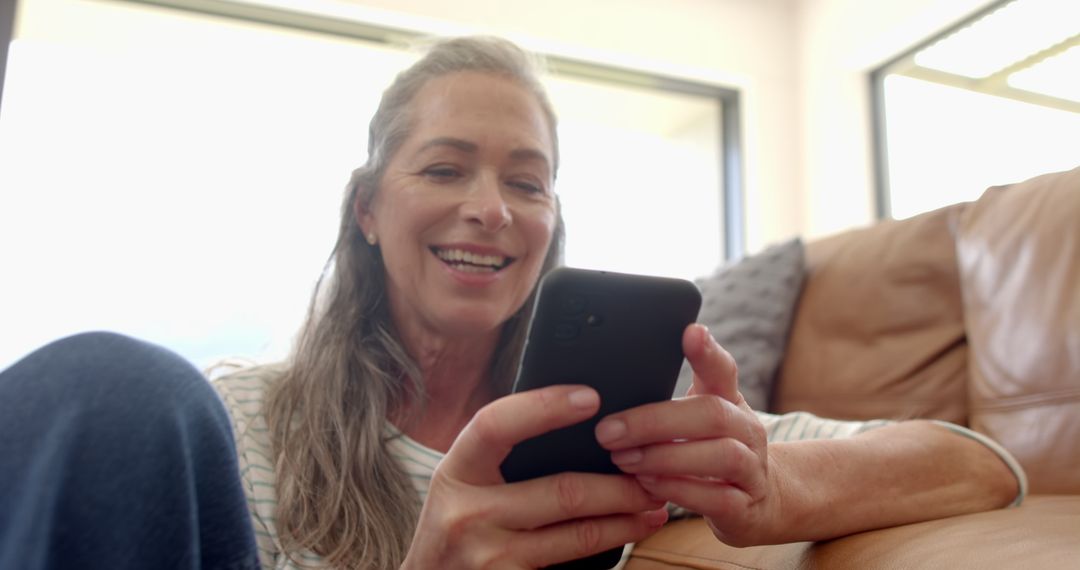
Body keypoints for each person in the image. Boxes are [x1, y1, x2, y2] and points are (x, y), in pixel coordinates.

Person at [0, 36, 1024, 570]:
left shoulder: (629, 431)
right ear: (367, 210)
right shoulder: (239, 425)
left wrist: (774, 483)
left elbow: (981, 464)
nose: (490, 209)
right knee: (108, 383)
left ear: (551, 224)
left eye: (527, 183)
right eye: (445, 169)